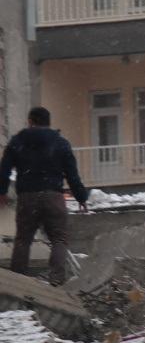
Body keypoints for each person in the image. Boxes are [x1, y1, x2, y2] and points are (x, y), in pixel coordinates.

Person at [0, 107, 88, 286]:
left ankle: (18, 283)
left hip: (27, 197)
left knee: (23, 239)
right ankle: (56, 281)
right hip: (53, 196)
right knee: (59, 239)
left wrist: (1, 192)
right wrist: (81, 197)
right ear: (48, 122)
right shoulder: (60, 143)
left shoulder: (18, 141)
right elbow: (72, 174)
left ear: (30, 121)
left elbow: (4, 170)